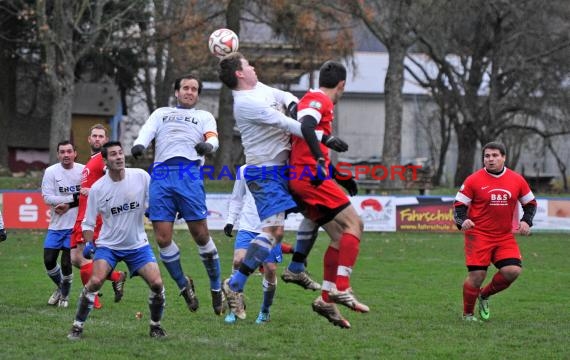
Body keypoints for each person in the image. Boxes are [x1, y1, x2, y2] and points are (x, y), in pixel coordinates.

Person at [218, 52, 348, 317]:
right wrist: (324, 142)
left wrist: (294, 107)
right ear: (240, 74)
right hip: (265, 173)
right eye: (248, 65)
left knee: (313, 207)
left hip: (283, 171)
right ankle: (234, 285)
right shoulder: (245, 103)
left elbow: (288, 99)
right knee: (274, 233)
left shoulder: (258, 89)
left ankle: (296, 267)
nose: (253, 66)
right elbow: (291, 125)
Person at [130, 73, 224, 315]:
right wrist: (139, 145)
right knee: (162, 238)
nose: (189, 92)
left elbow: (213, 138)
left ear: (198, 94)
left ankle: (216, 288)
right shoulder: (161, 113)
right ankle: (184, 285)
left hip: (189, 174)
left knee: (201, 235)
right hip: (161, 176)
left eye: (194, 89)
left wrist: (208, 146)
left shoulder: (203, 116)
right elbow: (147, 131)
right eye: (185, 88)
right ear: (176, 92)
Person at [289, 61, 368, 329]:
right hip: (309, 176)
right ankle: (342, 287)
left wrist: (339, 175)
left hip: (307, 176)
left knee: (338, 237)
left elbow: (312, 137)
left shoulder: (318, 101)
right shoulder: (317, 99)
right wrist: (320, 158)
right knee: (355, 224)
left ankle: (325, 299)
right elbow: (306, 126)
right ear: (342, 85)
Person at [67, 141, 167, 340]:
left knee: (157, 284)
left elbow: (154, 201)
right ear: (105, 160)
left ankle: (155, 326)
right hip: (108, 246)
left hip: (137, 245)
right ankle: (77, 326)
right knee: (95, 281)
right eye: (113, 154)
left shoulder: (140, 176)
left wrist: (161, 210)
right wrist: (89, 243)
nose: (119, 157)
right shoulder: (98, 188)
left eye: (120, 153)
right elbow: (88, 223)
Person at [454, 141, 537, 321]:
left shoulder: (516, 179)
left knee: (512, 271)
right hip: (478, 235)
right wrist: (463, 220)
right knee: (477, 275)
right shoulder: (473, 180)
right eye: (487, 156)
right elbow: (459, 206)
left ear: (503, 157)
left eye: (495, 156)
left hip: (503, 236)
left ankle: (484, 295)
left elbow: (530, 203)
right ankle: (468, 315)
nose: (490, 159)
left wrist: (526, 221)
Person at [222, 166, 298, 324]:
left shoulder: (279, 166)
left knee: (270, 269)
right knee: (238, 261)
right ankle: (235, 308)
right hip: (247, 226)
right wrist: (230, 220)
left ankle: (265, 311)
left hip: (270, 226)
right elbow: (237, 197)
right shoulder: (243, 169)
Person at [70, 124, 127, 309]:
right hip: (83, 214)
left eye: (101, 136)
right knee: (76, 258)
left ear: (105, 140)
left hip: (92, 217)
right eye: (94, 135)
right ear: (89, 139)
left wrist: (94, 191)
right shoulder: (92, 160)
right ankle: (116, 276)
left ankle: (93, 299)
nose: (97, 139)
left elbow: (115, 176)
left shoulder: (103, 161)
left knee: (80, 258)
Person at [41, 141, 84, 308]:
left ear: (75, 153)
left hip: (74, 225)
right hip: (56, 225)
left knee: (67, 263)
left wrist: (69, 203)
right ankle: (61, 286)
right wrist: (71, 199)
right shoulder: (51, 171)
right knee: (49, 260)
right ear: (58, 155)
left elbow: (87, 194)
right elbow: (47, 197)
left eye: (69, 151)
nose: (66, 155)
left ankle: (64, 296)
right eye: (62, 152)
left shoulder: (83, 170)